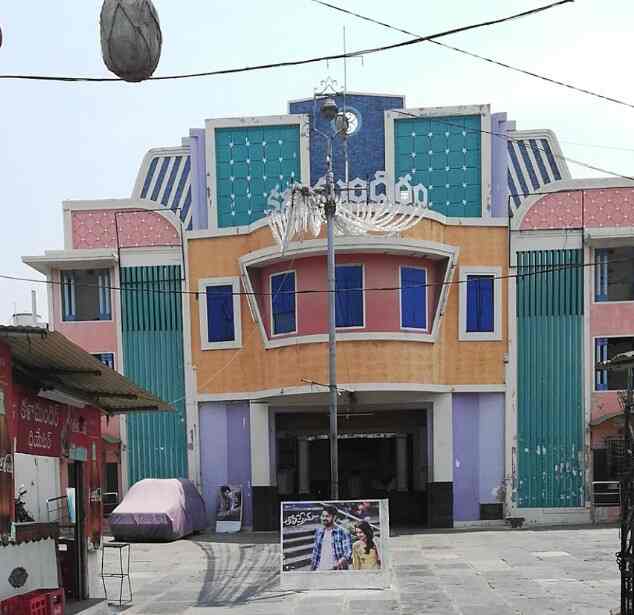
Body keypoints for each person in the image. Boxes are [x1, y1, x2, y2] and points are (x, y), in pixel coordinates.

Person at [310, 505, 352, 571]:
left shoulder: (343, 532)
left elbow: (348, 553)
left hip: (336, 571)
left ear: (334, 517)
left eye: (327, 516)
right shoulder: (319, 532)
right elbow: (315, 552)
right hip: (320, 569)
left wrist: (337, 565)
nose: (324, 518)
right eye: (323, 516)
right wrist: (312, 569)